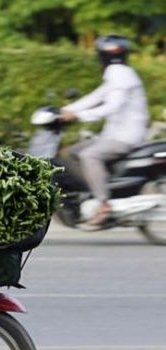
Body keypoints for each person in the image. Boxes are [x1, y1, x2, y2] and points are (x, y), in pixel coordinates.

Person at [59, 34, 149, 228]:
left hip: (125, 138)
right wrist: (68, 110)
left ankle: (103, 203)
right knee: (74, 151)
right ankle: (100, 186)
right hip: (114, 135)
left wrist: (78, 115)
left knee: (89, 155)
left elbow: (110, 106)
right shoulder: (121, 72)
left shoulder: (118, 73)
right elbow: (97, 96)